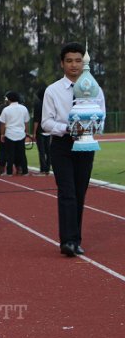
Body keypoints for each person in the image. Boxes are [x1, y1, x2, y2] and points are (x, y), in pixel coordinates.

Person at [42, 42, 105, 257]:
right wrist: (67, 128)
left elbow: (102, 120)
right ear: (62, 64)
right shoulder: (53, 90)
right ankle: (68, 241)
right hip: (62, 144)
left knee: (80, 192)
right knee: (67, 191)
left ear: (84, 63)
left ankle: (76, 239)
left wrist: (89, 127)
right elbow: (46, 123)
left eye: (78, 60)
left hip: (86, 144)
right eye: (69, 61)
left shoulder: (95, 89)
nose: (74, 65)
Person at [0, 91, 30, 176]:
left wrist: (2, 134)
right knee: (22, 154)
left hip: (9, 134)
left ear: (8, 99)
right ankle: (25, 171)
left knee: (10, 154)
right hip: (21, 133)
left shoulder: (6, 109)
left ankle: (9, 172)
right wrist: (26, 132)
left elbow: (2, 123)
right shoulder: (24, 108)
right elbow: (26, 122)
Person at [32, 86, 51, 175]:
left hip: (40, 129)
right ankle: (47, 168)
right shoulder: (50, 103)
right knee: (48, 150)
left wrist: (34, 132)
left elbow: (36, 120)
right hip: (49, 129)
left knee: (42, 151)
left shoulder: (38, 104)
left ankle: (43, 169)